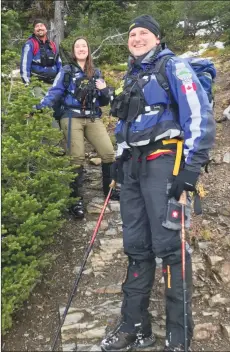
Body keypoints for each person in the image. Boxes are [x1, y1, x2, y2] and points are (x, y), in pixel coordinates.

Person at [101, 15, 215, 352]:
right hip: (134, 168)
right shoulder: (131, 76)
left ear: (157, 37)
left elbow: (198, 116)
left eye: (143, 33)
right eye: (132, 34)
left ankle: (178, 339)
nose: (136, 38)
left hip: (165, 163)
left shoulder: (175, 67)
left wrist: (190, 172)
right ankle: (135, 327)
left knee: (171, 248)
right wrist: (119, 161)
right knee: (136, 247)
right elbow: (125, 124)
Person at [34, 36, 119, 219]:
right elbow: (55, 92)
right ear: (73, 51)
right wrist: (39, 108)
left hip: (93, 117)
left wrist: (104, 90)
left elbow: (103, 101)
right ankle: (76, 200)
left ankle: (109, 191)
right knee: (77, 157)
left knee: (108, 153)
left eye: (84, 46)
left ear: (88, 50)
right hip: (71, 117)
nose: (81, 48)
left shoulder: (96, 72)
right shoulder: (66, 71)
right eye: (78, 46)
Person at [20, 18, 62, 129]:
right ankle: (53, 139)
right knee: (45, 114)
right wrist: (28, 87)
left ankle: (57, 139)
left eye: (41, 25)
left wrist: (60, 83)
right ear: (34, 30)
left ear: (46, 28)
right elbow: (24, 67)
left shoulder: (52, 45)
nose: (39, 28)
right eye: (37, 26)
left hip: (52, 85)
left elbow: (59, 65)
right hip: (37, 85)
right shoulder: (30, 44)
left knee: (58, 112)